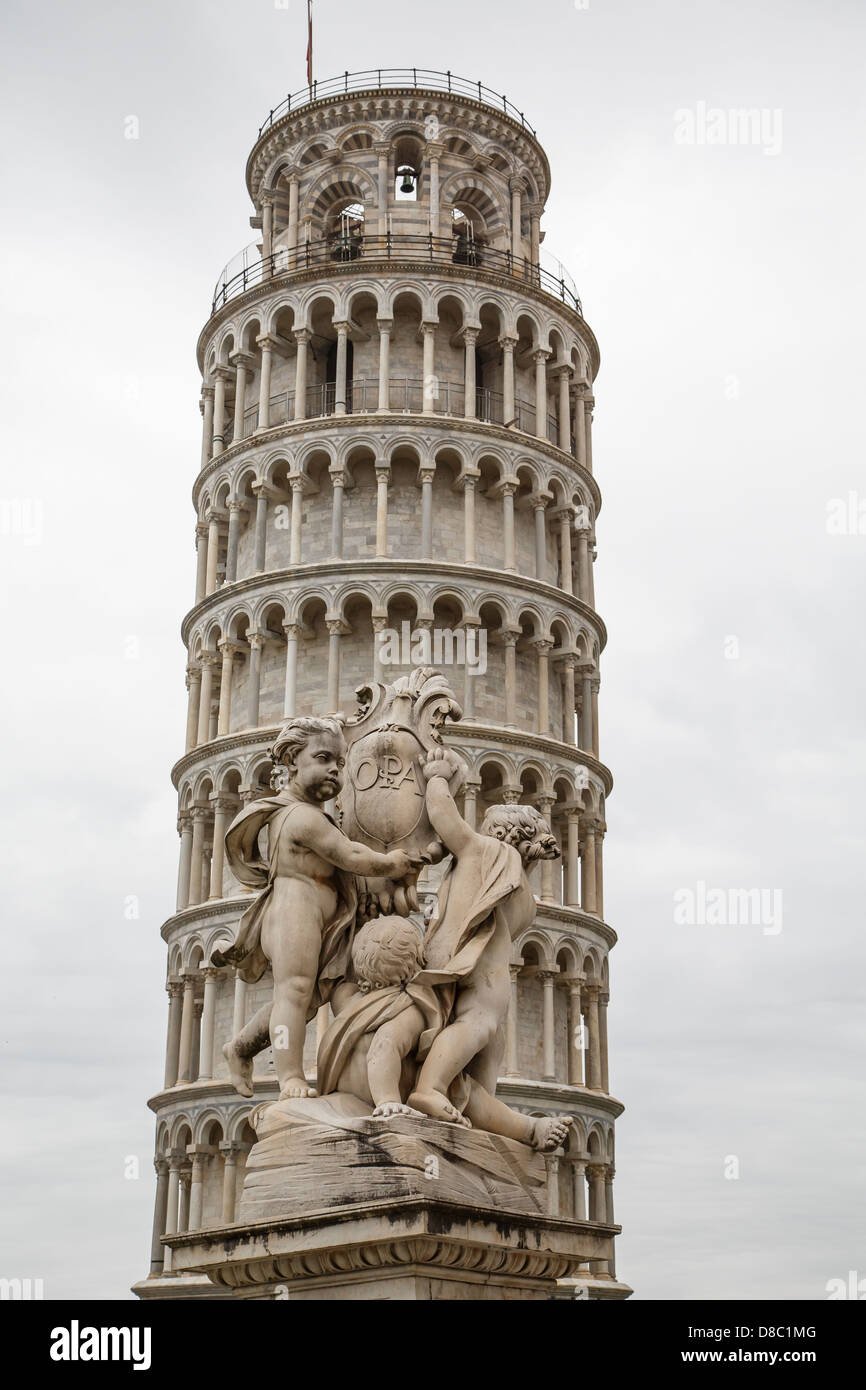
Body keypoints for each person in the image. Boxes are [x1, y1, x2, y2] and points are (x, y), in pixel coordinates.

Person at [213, 716, 420, 1100]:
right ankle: (290, 1076)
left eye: (340, 764)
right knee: (294, 992)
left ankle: (242, 1047)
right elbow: (351, 855)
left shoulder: (313, 813)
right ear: (292, 761)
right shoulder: (301, 817)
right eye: (323, 758)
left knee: (304, 998)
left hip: (325, 919)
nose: (334, 770)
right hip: (296, 913)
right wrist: (391, 863)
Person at [407, 747, 568, 1155]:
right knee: (482, 1033)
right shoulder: (505, 872)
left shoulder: (494, 861)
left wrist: (440, 778)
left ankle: (447, 1096)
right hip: (485, 976)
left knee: (482, 1034)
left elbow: (446, 819)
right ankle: (443, 1093)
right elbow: (447, 819)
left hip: (478, 970)